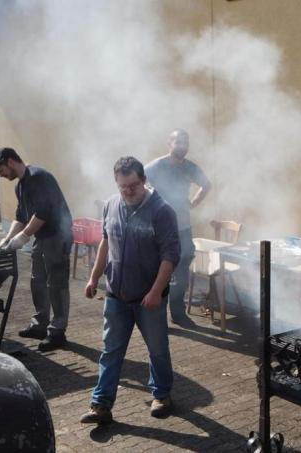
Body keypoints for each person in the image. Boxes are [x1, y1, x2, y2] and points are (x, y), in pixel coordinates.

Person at [80, 156, 180, 425]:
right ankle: (101, 405)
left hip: (149, 297)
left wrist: (156, 291)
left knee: (157, 349)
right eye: (122, 186)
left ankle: (162, 395)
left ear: (144, 180)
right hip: (116, 294)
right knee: (110, 351)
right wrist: (93, 278)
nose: (127, 191)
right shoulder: (111, 205)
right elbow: (105, 242)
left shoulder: (162, 211)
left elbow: (171, 256)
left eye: (133, 185)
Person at [0, 147, 73, 352]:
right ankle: (40, 325)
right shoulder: (20, 186)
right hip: (42, 237)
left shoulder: (39, 177)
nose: (1, 174)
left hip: (57, 235)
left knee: (56, 284)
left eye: (0, 169)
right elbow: (20, 216)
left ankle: (57, 332)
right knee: (38, 280)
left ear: (10, 162)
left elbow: (42, 213)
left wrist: (23, 237)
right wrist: (7, 239)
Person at [144, 129, 211, 328]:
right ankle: (155, 316)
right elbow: (139, 183)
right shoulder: (155, 166)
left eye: (185, 142)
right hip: (157, 229)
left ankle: (178, 313)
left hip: (182, 226)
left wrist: (193, 203)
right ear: (169, 144)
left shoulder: (190, 167)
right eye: (178, 142)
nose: (183, 146)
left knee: (182, 269)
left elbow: (206, 185)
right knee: (156, 269)